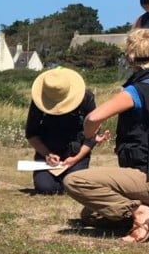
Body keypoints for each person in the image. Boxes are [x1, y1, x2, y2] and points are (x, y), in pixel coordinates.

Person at [63, 29, 149, 243]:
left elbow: (92, 118)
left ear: (130, 58)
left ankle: (142, 213)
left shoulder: (137, 91)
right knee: (90, 214)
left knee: (76, 182)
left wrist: (89, 136)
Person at [24, 67, 96, 195]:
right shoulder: (38, 101)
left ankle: (70, 178)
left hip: (77, 152)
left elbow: (93, 135)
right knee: (45, 187)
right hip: (48, 151)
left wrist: (75, 158)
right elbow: (31, 133)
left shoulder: (86, 98)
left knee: (74, 185)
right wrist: (47, 154)